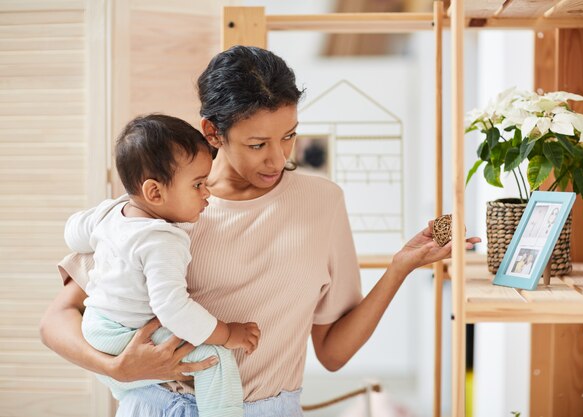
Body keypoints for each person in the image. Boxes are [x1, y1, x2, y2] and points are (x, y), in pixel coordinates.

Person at [40, 45, 480, 417]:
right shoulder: (164, 207)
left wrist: (400, 267)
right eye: (257, 145)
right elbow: (56, 320)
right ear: (213, 132)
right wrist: (116, 369)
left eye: (288, 136)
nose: (278, 159)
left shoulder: (322, 203)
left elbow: (333, 352)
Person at [63, 114, 259, 417]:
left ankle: (130, 386)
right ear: (154, 192)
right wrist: (227, 333)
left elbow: (74, 234)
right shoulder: (162, 240)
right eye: (197, 185)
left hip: (95, 327)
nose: (207, 193)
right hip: (120, 333)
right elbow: (173, 309)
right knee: (217, 358)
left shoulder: (112, 212)